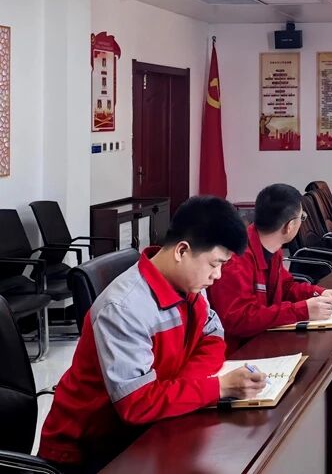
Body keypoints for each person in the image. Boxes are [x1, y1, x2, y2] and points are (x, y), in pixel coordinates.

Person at [39, 196, 267, 472]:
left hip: (150, 426)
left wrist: (183, 388)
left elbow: (214, 338)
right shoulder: (123, 308)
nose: (217, 275)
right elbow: (137, 404)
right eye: (214, 264)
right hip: (89, 450)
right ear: (182, 251)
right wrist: (218, 387)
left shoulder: (190, 285)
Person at [208, 183, 332, 353]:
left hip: (264, 338)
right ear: (290, 226)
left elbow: (285, 287)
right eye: (302, 218)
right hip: (239, 352)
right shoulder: (235, 259)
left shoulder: (271, 247)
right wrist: (302, 311)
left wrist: (319, 293)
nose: (302, 222)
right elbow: (238, 320)